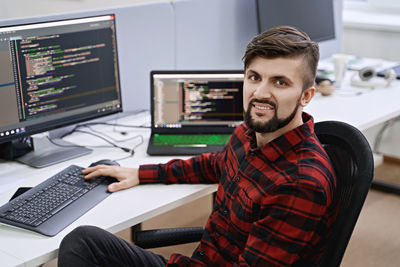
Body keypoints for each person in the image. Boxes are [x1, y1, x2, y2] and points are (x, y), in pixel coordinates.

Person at [58, 25, 338, 267]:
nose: (260, 93)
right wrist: (141, 174)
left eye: (280, 82)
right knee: (83, 242)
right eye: (254, 77)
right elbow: (215, 164)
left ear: (306, 96)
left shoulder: (299, 183)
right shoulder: (249, 133)